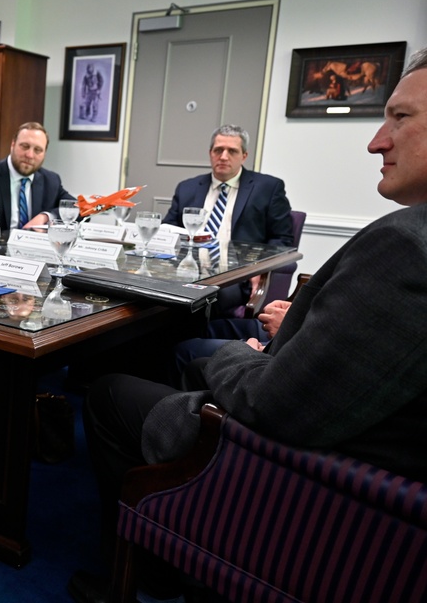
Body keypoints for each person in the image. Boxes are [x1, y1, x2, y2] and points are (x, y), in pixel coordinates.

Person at [68, 46, 427, 603]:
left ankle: (147, 570)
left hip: (297, 463)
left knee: (118, 388)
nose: (376, 140)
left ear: (243, 155)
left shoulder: (405, 247)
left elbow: (276, 402)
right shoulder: (189, 190)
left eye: (400, 118)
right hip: (354, 452)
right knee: (177, 347)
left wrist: (247, 353)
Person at [162, 124, 295, 316]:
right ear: (210, 153)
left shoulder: (268, 188)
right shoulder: (187, 188)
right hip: (187, 270)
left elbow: (282, 239)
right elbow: (169, 230)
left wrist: (260, 269)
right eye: (218, 150)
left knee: (203, 299)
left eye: (232, 151)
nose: (223, 156)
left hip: (235, 277)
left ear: (244, 156)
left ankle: (189, 343)